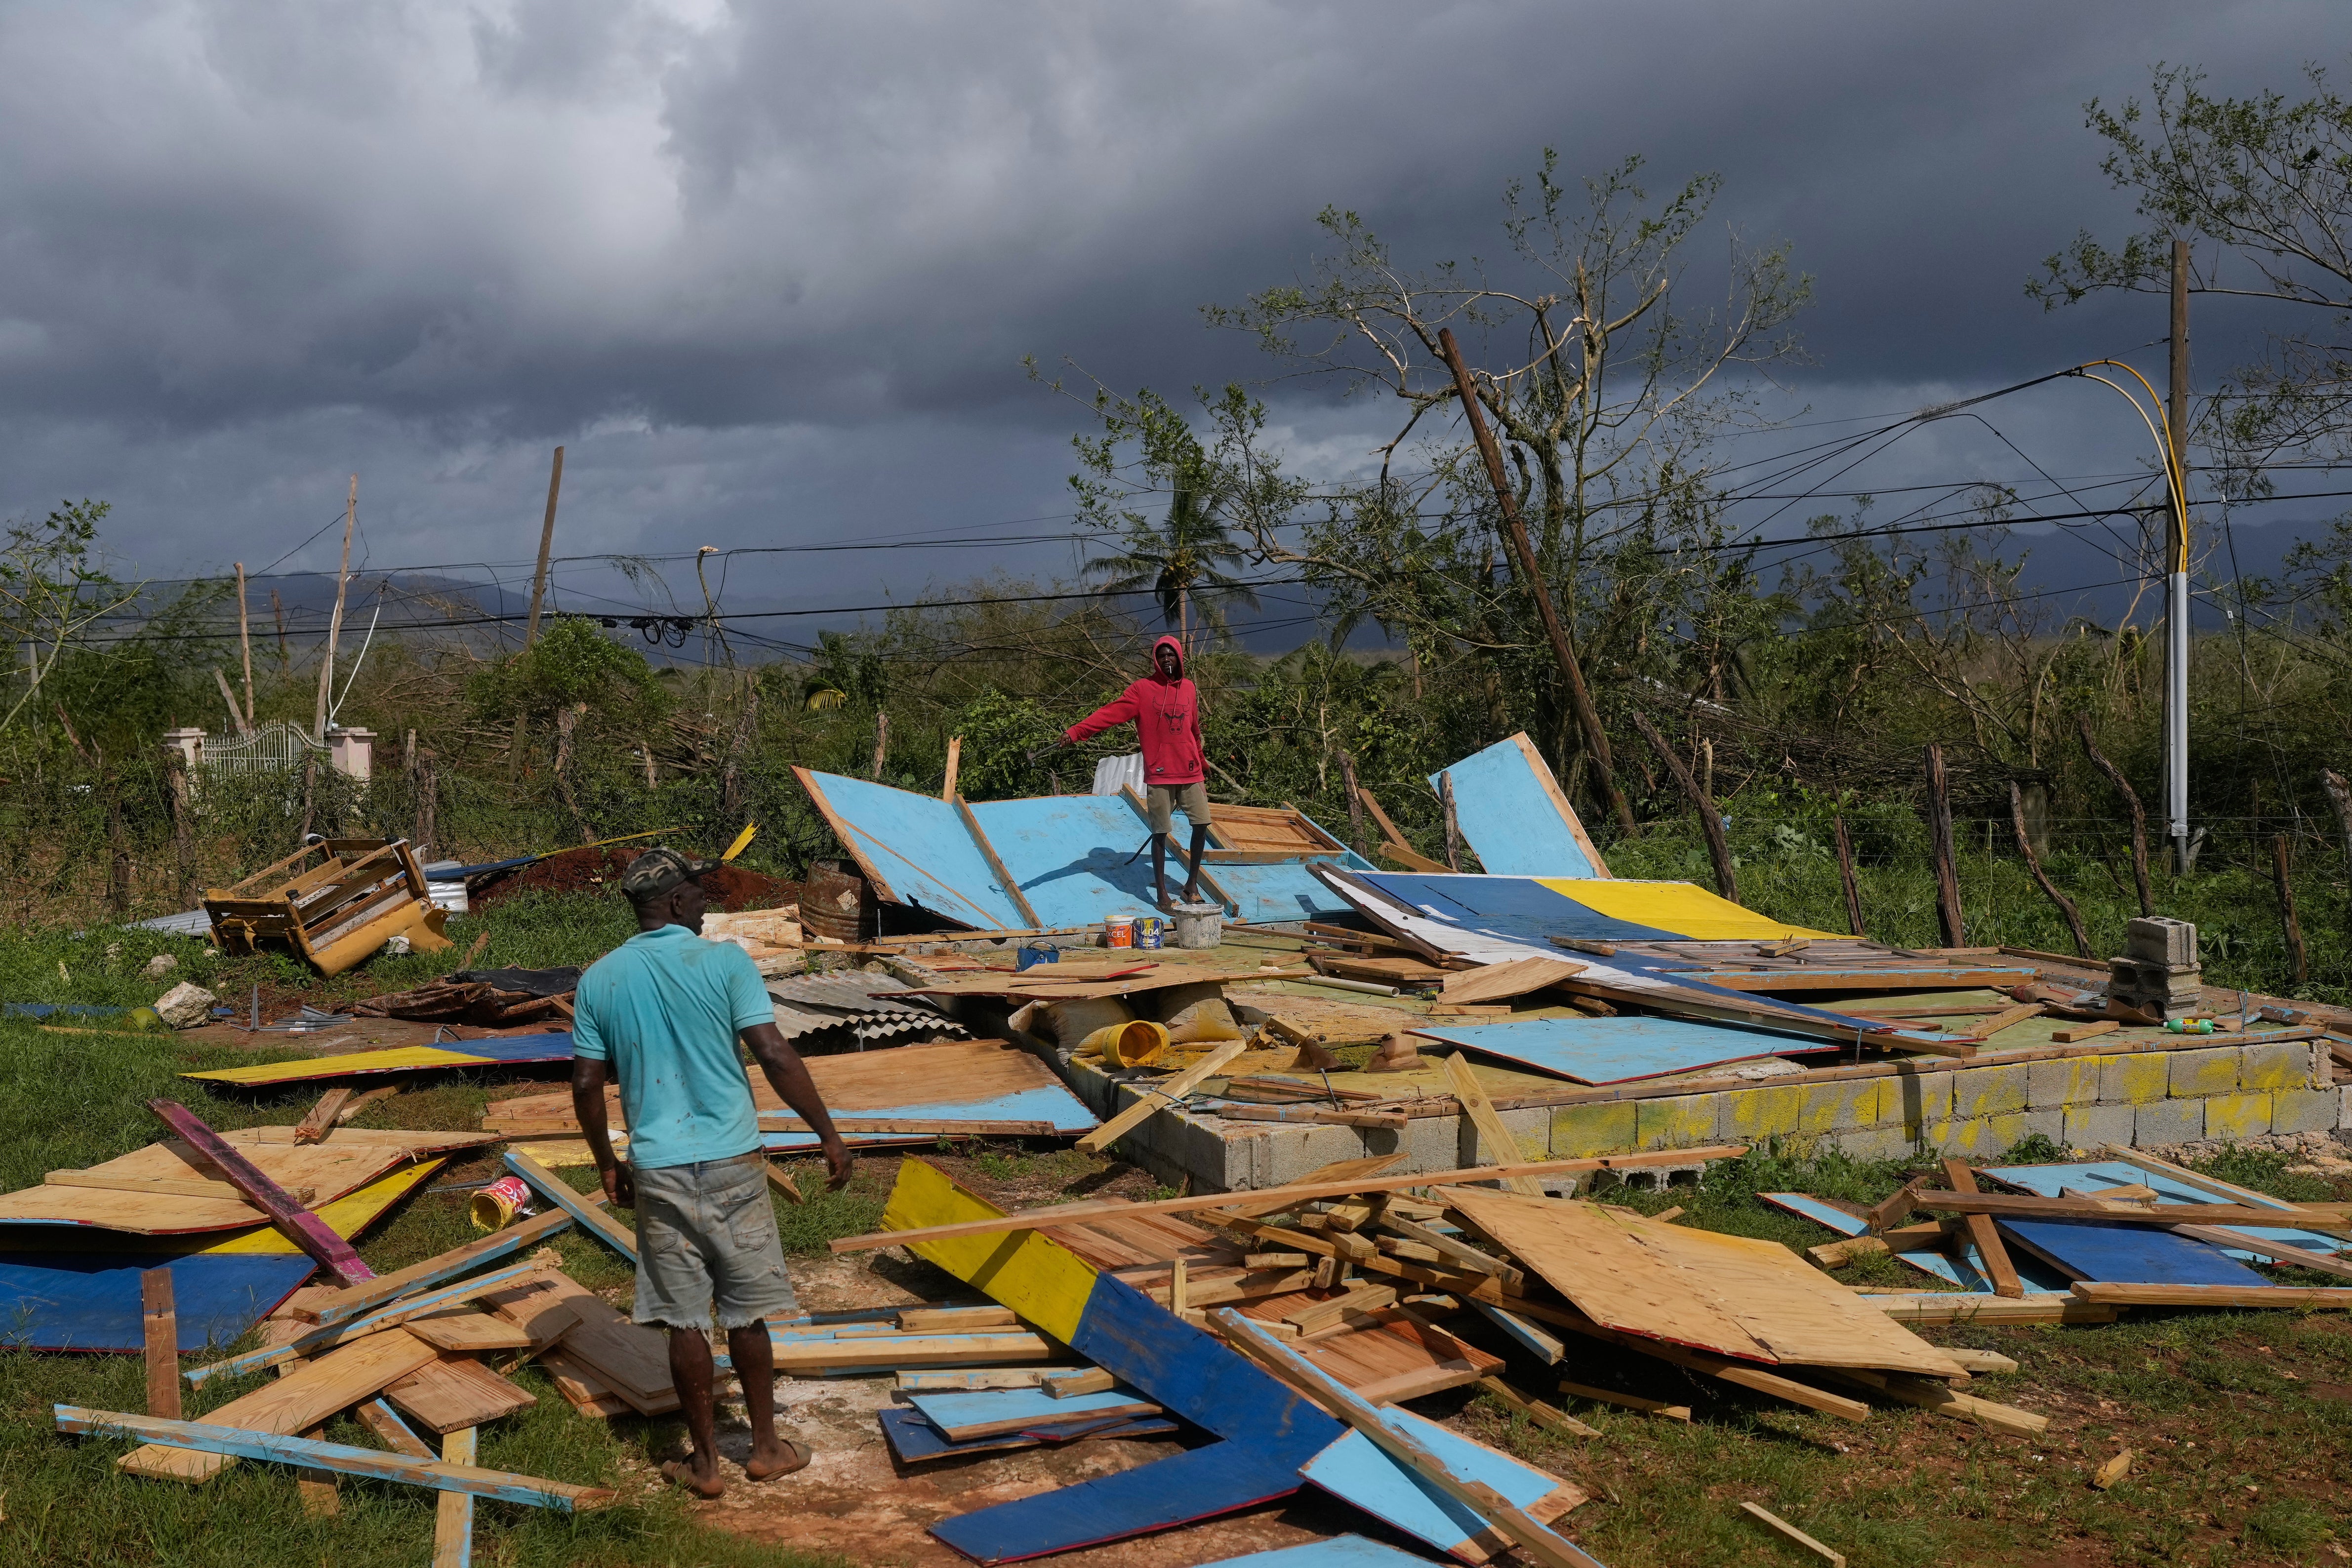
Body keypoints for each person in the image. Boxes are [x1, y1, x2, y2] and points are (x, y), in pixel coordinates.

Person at [570, 847, 854, 1498]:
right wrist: (828, 1133)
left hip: (659, 1166)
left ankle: (704, 1464)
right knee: (748, 1312)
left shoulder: (600, 978)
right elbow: (774, 1052)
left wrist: (606, 1161)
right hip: (731, 1160)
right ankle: (764, 1447)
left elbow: (587, 1083)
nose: (706, 902)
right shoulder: (726, 962)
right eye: (697, 893)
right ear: (672, 901)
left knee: (684, 1319)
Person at [1039, 634, 1209, 908]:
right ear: (1156, 660)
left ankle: (1191, 886)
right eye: (1162, 655)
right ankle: (1162, 895)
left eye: (1172, 655)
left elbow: (1194, 730)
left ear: (1179, 657)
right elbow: (1109, 713)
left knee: (1201, 824)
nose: (1167, 659)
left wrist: (1201, 762)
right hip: (1161, 773)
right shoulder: (1142, 690)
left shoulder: (1189, 688)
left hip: (1190, 772)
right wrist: (1075, 732)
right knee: (1160, 832)